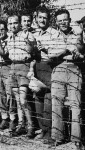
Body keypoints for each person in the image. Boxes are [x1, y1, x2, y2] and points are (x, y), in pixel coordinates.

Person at [50, 9, 84, 148]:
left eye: (65, 19)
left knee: (76, 105)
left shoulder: (78, 34)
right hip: (58, 68)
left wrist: (78, 51)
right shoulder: (52, 35)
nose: (63, 22)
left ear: (69, 20)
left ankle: (76, 139)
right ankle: (58, 137)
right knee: (56, 104)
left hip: (74, 68)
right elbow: (51, 54)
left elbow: (81, 51)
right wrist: (67, 49)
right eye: (60, 20)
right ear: (56, 22)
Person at [4, 15, 37, 138]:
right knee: (17, 100)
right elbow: (7, 53)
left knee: (23, 100)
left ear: (19, 24)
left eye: (15, 23)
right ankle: (21, 124)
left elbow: (32, 51)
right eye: (10, 23)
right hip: (13, 67)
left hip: (24, 66)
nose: (13, 25)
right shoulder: (9, 37)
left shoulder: (27, 35)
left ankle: (31, 126)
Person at [33, 6, 59, 141]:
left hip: (50, 66)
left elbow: (58, 51)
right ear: (36, 19)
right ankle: (43, 129)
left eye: (45, 18)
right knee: (38, 98)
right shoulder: (34, 34)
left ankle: (49, 132)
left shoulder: (54, 33)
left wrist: (46, 48)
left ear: (49, 19)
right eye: (40, 17)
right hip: (37, 66)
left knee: (49, 98)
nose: (42, 20)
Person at [0, 20, 17, 130]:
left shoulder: (10, 39)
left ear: (6, 29)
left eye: (2, 29)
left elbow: (3, 53)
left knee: (10, 94)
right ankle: (4, 118)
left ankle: (13, 118)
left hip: (8, 66)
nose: (0, 32)